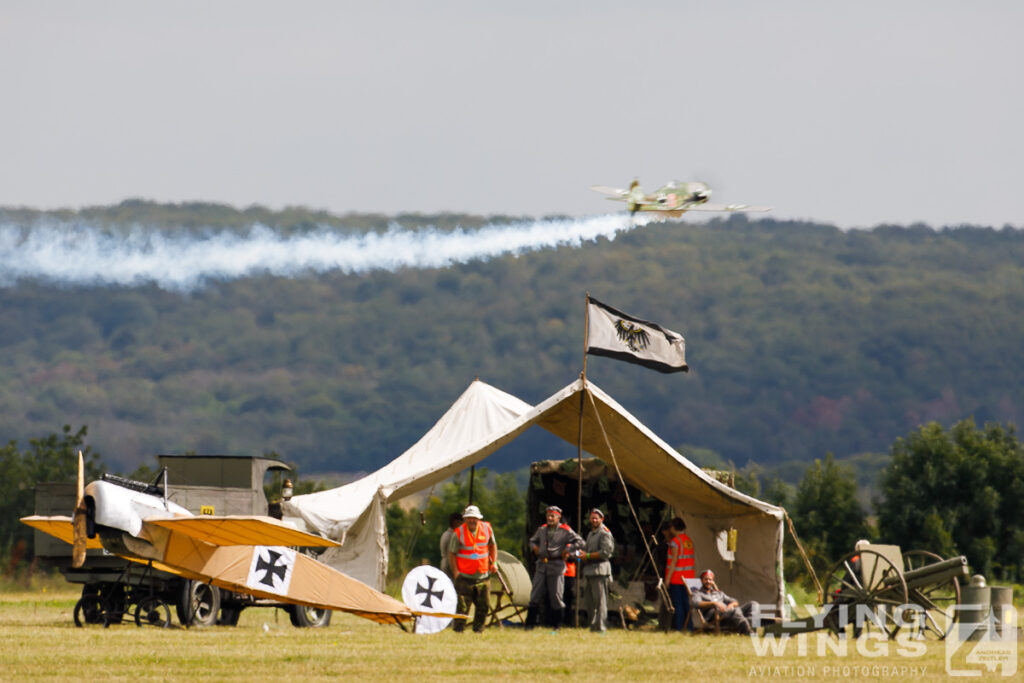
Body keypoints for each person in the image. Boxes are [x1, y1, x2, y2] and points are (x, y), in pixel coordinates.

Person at [526, 505, 583, 629]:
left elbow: (580, 542)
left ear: (558, 518)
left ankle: (557, 625)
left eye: (553, 516)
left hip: (557, 565)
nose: (550, 518)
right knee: (535, 594)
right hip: (542, 564)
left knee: (556, 595)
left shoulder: (565, 530)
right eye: (548, 516)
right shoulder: (542, 529)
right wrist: (534, 548)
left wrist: (567, 549)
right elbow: (531, 541)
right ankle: (529, 624)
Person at [447, 504, 498, 633]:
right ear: (465, 519)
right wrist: (455, 572)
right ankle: (458, 631)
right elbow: (452, 553)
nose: (472, 520)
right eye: (469, 518)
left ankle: (478, 631)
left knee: (483, 606)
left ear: (479, 518)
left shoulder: (487, 529)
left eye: (474, 518)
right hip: (464, 577)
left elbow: (493, 545)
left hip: (483, 576)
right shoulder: (458, 533)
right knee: (462, 607)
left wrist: (494, 563)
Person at [579, 507, 615, 632]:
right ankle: (593, 625)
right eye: (592, 518)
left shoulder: (604, 532)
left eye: (596, 518)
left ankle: (601, 627)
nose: (594, 520)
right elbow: (589, 551)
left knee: (600, 601)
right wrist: (583, 555)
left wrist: (588, 555)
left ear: (602, 519)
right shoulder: (590, 533)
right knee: (590, 601)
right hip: (589, 570)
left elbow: (606, 552)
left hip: (600, 569)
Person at [690, 569, 754, 634]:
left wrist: (730, 605)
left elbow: (735, 601)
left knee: (753, 604)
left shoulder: (718, 593)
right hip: (715, 616)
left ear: (713, 581)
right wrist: (714, 603)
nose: (708, 581)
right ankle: (747, 631)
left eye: (710, 579)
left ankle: (747, 626)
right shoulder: (698, 593)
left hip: (729, 612)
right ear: (701, 580)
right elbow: (695, 603)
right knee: (736, 610)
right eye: (706, 579)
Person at [664, 517, 696, 631]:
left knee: (678, 605)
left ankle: (679, 628)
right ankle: (690, 627)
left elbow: (674, 561)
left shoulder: (675, 542)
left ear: (673, 528)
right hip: (690, 578)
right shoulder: (688, 540)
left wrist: (667, 579)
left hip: (677, 578)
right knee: (688, 605)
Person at [438, 511, 463, 578]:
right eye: (461, 522)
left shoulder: (446, 534)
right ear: (456, 522)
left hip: (445, 565)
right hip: (449, 567)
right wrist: (454, 571)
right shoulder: (451, 536)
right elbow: (450, 555)